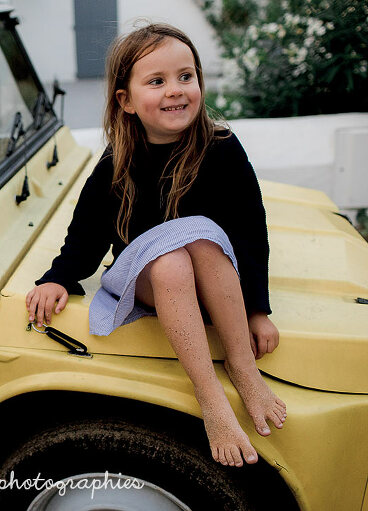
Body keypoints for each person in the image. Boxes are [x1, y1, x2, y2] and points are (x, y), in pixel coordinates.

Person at [25, 23, 286, 468]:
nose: (175, 90)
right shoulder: (117, 161)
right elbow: (86, 233)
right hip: (148, 279)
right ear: (125, 100)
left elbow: (249, 231)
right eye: (157, 81)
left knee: (200, 236)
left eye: (186, 76)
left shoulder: (222, 147)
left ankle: (242, 367)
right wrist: (58, 278)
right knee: (171, 260)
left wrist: (256, 310)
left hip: (212, 277)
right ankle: (210, 398)